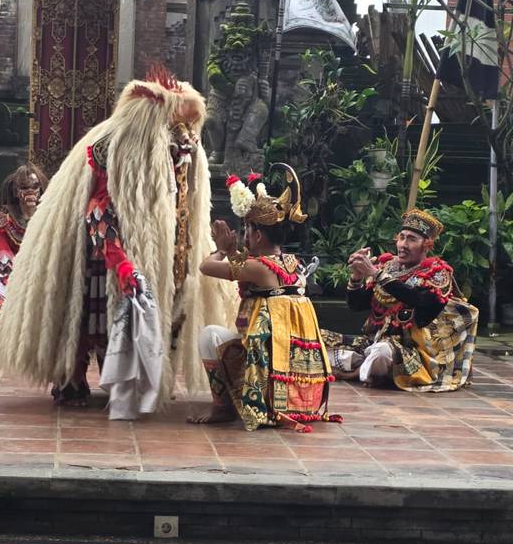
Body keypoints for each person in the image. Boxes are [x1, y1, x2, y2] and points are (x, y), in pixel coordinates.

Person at [0, 67, 230, 415]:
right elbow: (98, 211)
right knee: (88, 313)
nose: (184, 137)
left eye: (186, 129)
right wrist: (120, 262)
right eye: (174, 126)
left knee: (143, 313)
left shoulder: (182, 154)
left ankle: (130, 376)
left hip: (161, 246)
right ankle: (71, 376)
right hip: (97, 250)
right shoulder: (120, 147)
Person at [188, 167, 339, 432]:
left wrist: (221, 250)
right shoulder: (293, 264)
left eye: (246, 229)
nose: (244, 235)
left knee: (209, 335)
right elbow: (247, 265)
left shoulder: (259, 267)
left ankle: (222, 407)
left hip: (268, 377)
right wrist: (234, 251)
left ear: (257, 235)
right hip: (293, 383)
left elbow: (206, 267)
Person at [322, 208, 479, 391]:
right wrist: (356, 277)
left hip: (410, 351)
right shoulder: (388, 266)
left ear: (426, 245)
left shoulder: (437, 274)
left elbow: (419, 303)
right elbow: (357, 305)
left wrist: (376, 274)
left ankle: (357, 371)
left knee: (381, 353)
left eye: (412, 239)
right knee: (319, 340)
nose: (403, 244)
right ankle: (363, 366)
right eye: (401, 237)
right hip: (370, 341)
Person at [0, 163, 48, 334]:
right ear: (16, 192)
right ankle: (1, 323)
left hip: (42, 274)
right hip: (12, 276)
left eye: (35, 186)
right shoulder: (5, 217)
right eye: (24, 187)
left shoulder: (49, 215)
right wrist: (16, 280)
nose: (30, 191)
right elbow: (3, 256)